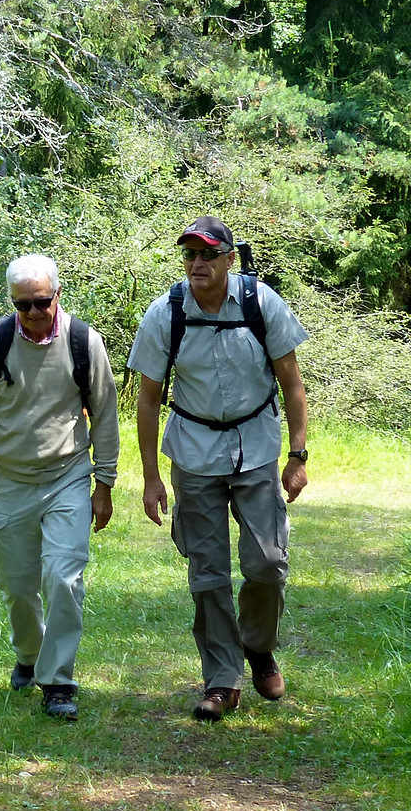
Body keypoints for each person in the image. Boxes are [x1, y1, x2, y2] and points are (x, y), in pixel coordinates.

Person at [128, 215, 309, 722]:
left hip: (255, 447)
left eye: (208, 254)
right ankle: (222, 679)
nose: (197, 264)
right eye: (189, 255)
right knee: (207, 572)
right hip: (193, 451)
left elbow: (291, 383)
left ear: (231, 259)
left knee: (267, 564)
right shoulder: (166, 313)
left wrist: (297, 455)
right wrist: (150, 477)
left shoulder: (261, 303)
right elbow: (146, 399)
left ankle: (258, 647)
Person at [0, 254, 120, 720]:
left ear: (58, 295)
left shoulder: (85, 342)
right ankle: (29, 653)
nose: (35, 313)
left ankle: (58, 681)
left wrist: (104, 482)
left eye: (43, 302)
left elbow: (104, 413)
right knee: (18, 587)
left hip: (67, 476)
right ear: (12, 302)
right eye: (24, 305)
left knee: (63, 578)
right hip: (7, 480)